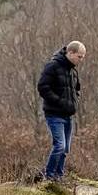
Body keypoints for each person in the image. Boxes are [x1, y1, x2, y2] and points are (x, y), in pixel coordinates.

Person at [37, 40, 86, 181]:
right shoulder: (52, 66)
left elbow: (77, 89)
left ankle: (59, 176)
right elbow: (43, 87)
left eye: (82, 57)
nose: (81, 60)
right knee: (59, 145)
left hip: (68, 115)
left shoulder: (73, 71)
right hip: (54, 114)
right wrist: (60, 102)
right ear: (70, 53)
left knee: (65, 149)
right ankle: (49, 176)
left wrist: (74, 102)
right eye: (79, 56)